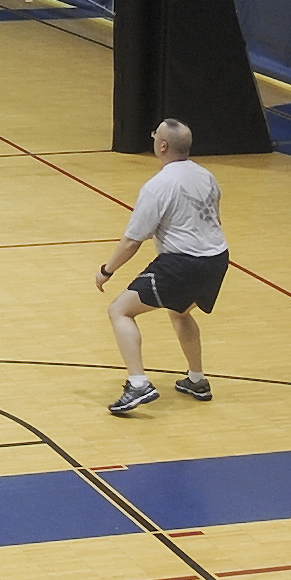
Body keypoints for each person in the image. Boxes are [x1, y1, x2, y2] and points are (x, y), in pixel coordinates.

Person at [97, 118, 229, 414]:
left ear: (163, 146)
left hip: (183, 263)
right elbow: (215, 221)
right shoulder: (207, 176)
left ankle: (138, 384)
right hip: (218, 260)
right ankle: (197, 379)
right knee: (180, 311)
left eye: (155, 135)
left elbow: (133, 241)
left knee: (120, 311)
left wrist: (107, 271)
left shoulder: (159, 186)